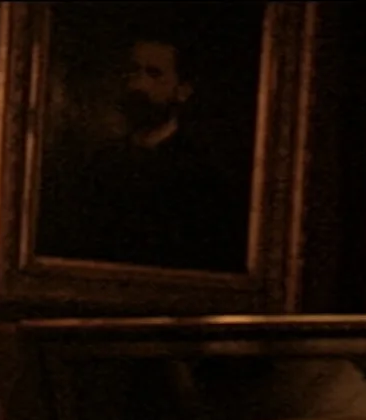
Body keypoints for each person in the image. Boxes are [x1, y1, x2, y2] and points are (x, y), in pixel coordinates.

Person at [39, 32, 246, 271]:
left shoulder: (200, 175)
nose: (138, 84)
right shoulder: (98, 163)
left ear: (183, 90)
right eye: (133, 71)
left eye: (154, 73)